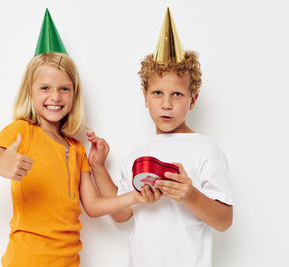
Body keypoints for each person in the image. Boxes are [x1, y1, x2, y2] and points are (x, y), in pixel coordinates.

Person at [0, 9, 156, 267]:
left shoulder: (76, 149)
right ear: (30, 92)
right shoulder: (20, 132)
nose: (55, 97)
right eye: (45, 88)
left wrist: (136, 197)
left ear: (74, 94)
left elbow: (94, 206)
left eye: (64, 89)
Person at [87, 8, 233, 267]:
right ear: (145, 97)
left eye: (177, 94)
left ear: (193, 99)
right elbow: (121, 214)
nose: (166, 104)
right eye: (157, 93)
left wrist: (190, 195)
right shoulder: (136, 156)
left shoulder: (206, 150)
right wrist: (98, 167)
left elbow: (224, 221)